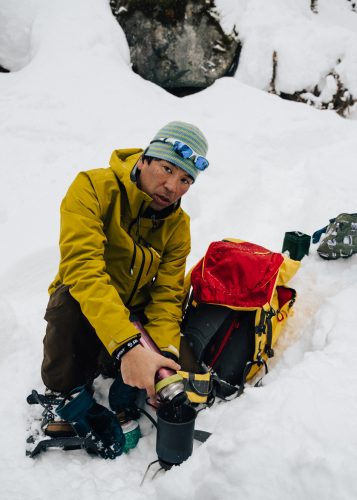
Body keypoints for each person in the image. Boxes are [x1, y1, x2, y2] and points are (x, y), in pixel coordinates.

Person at [40, 121, 209, 458]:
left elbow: (166, 298)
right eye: (167, 169)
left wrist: (164, 360)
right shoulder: (92, 187)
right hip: (87, 309)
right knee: (70, 298)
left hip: (135, 318)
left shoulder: (178, 227)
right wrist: (128, 347)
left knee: (187, 374)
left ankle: (127, 384)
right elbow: (83, 270)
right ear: (146, 158)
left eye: (185, 180)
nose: (172, 186)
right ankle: (67, 391)